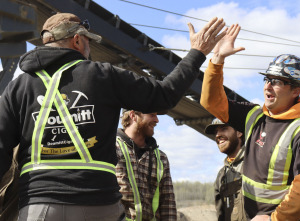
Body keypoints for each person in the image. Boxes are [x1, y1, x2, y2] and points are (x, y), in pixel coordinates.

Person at [0, 12, 227, 221]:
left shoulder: (18, 88)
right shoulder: (103, 75)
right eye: (88, 41)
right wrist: (197, 53)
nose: (89, 48)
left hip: (38, 206)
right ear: (77, 41)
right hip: (98, 204)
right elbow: (163, 96)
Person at [200, 24, 300, 221]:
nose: (268, 86)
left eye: (277, 81)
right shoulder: (254, 115)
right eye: (267, 79)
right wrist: (217, 60)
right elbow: (212, 102)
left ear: (296, 90)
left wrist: (273, 219)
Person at [116, 110, 176, 221]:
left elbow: (168, 205)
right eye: (152, 114)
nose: (156, 120)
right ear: (133, 115)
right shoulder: (110, 150)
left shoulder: (161, 158)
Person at [204, 118, 247, 221]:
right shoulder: (221, 175)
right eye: (216, 132)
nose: (218, 135)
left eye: (224, 129)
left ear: (239, 132)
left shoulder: (257, 164)